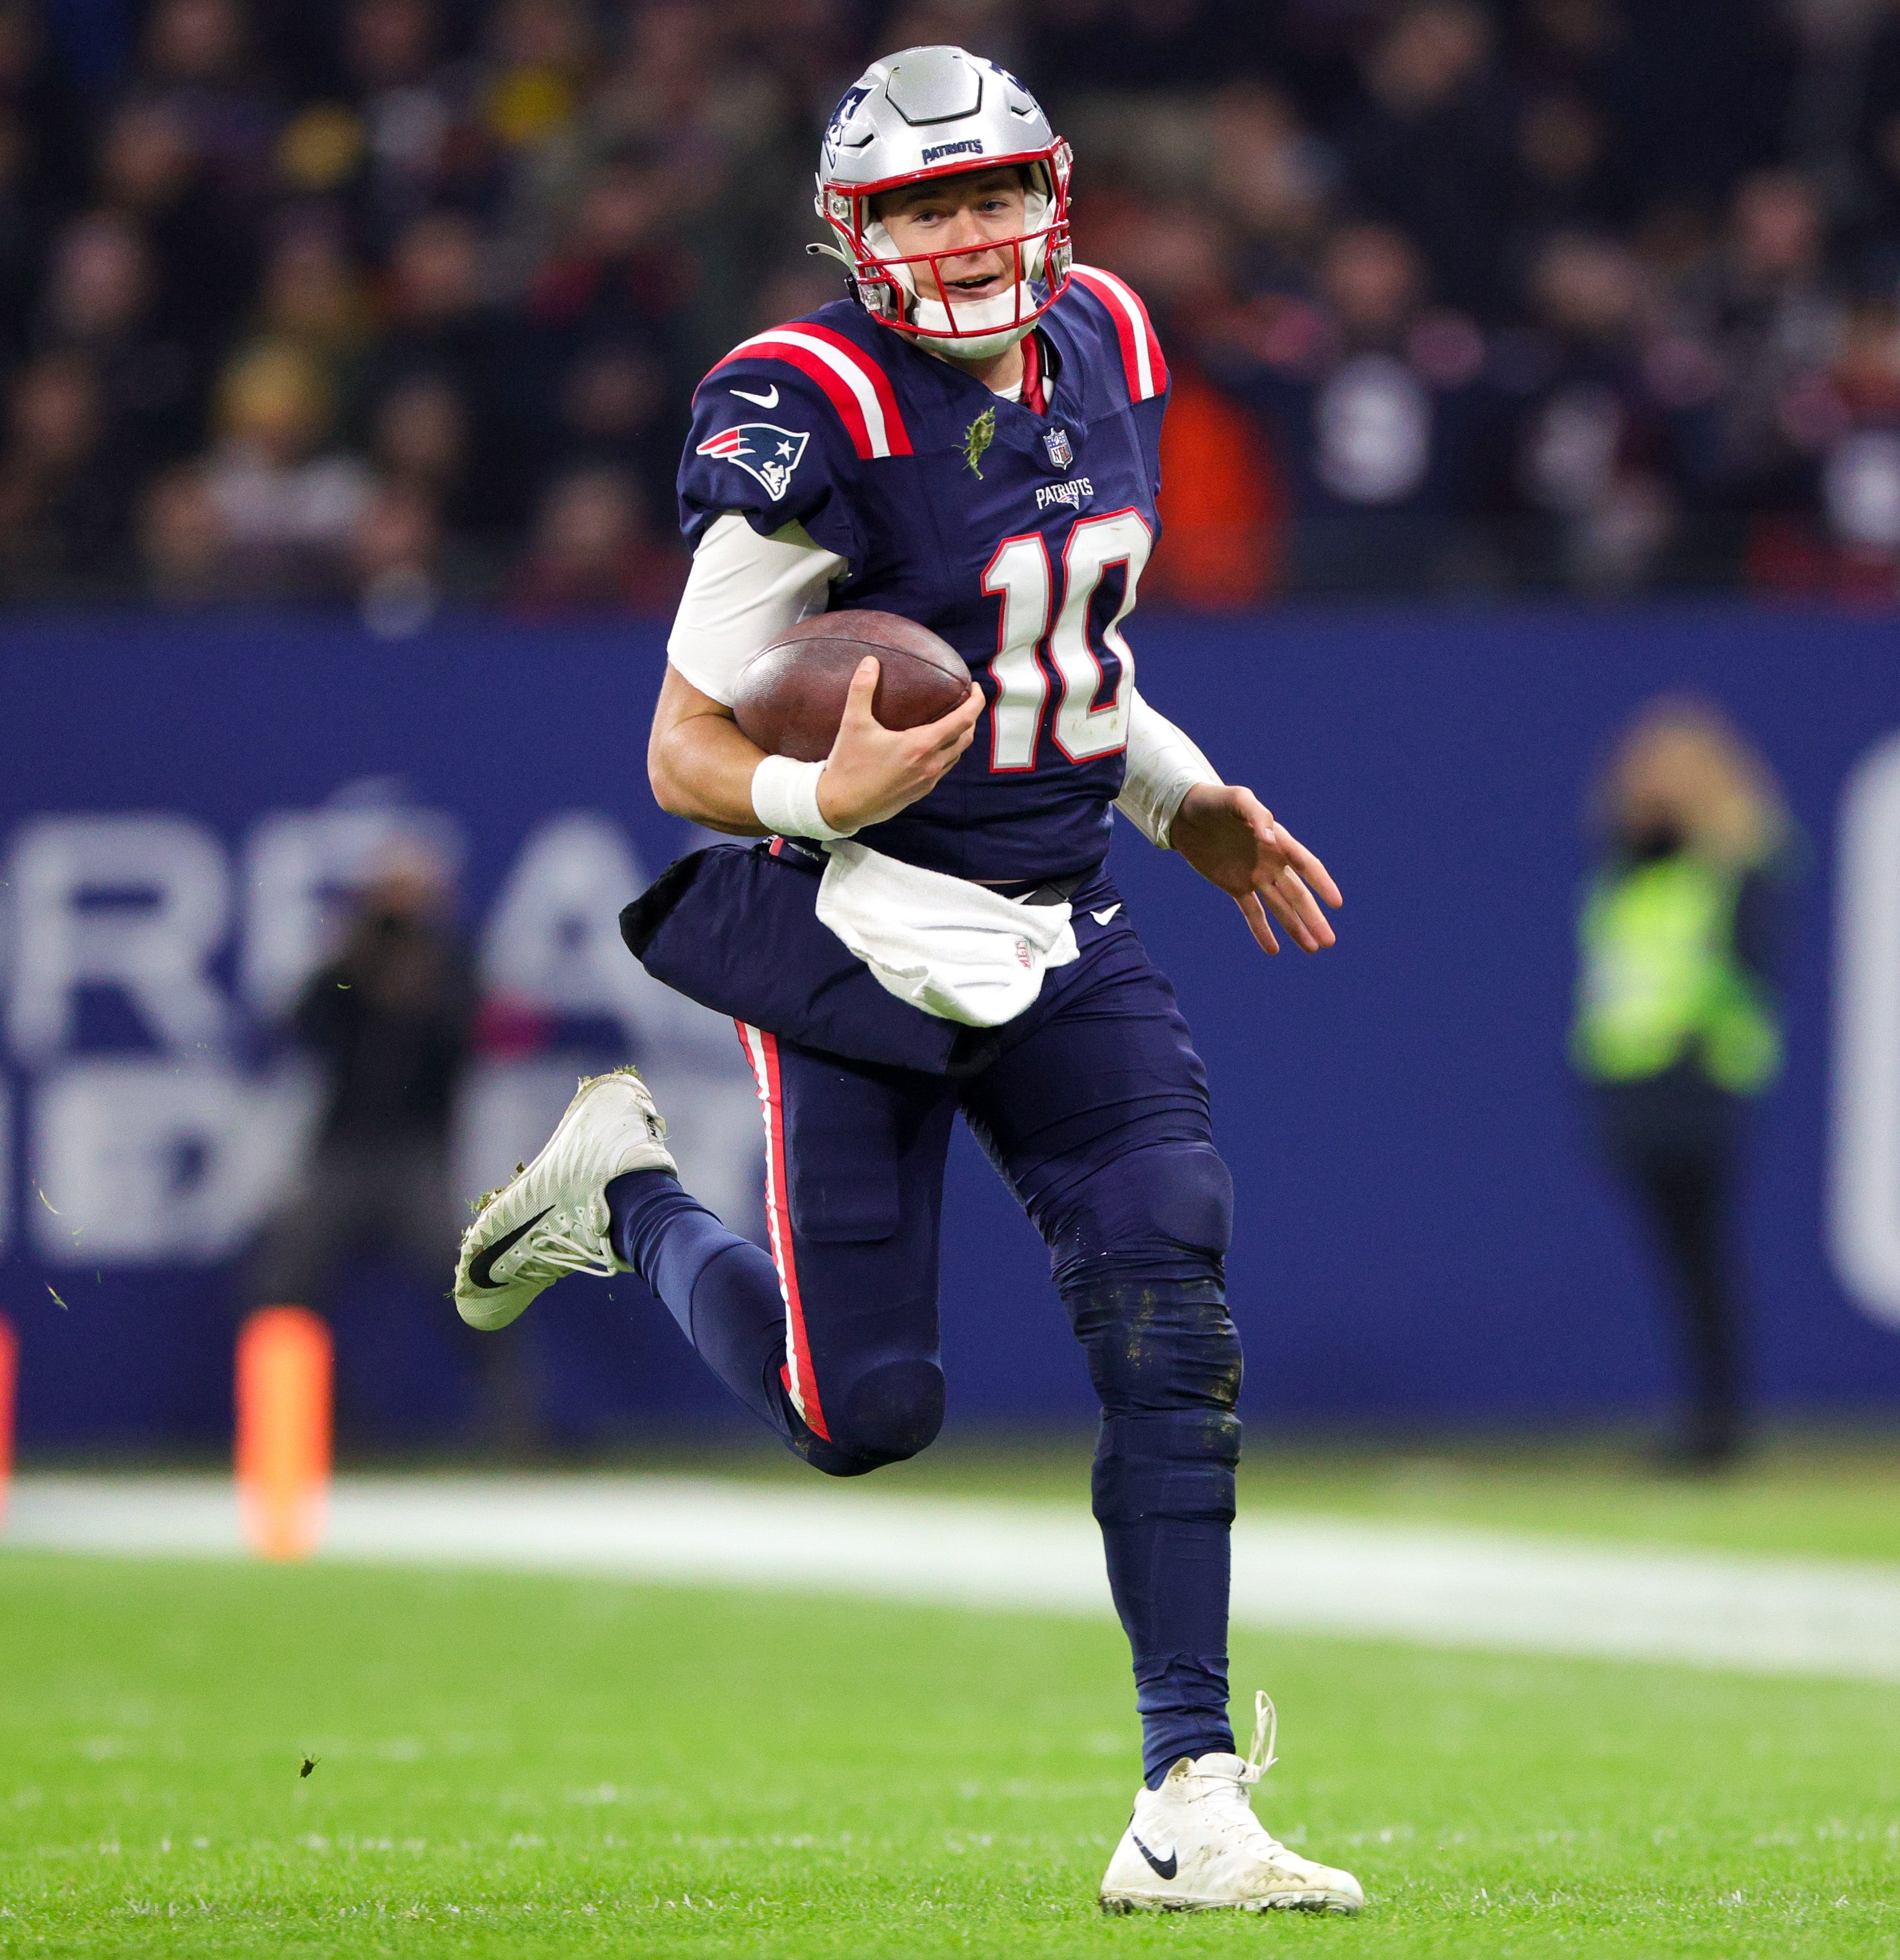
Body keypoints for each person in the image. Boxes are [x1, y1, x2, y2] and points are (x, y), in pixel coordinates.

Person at [444, 48, 1361, 1915]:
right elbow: (684, 738)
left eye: (990, 191)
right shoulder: (811, 401)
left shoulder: (1108, 338)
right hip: (863, 927)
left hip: (1059, 904)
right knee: (867, 1410)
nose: (966, 233)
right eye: (924, 206)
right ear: (857, 236)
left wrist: (1178, 791)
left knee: (1169, 1279)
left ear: (1056, 192)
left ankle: (1189, 1793)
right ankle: (622, 1197)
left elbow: (1057, 657)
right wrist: (815, 788)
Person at [1571, 697, 1788, 1474]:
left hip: (1696, 1083)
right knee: (1683, 1264)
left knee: (1703, 1261)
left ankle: (1718, 1425)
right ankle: (1707, 1419)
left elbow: (1748, 971)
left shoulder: (1735, 863)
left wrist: (1700, 1048)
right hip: (1633, 1085)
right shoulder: (1625, 866)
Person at [247, 847, 524, 1447]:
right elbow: (304, 1021)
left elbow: (477, 1035)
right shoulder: (352, 959)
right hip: (343, 1151)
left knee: (472, 1284)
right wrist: (358, 958)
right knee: (283, 1285)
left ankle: (511, 1424)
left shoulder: (450, 962)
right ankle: (312, 1421)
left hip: (417, 1153)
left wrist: (425, 988)